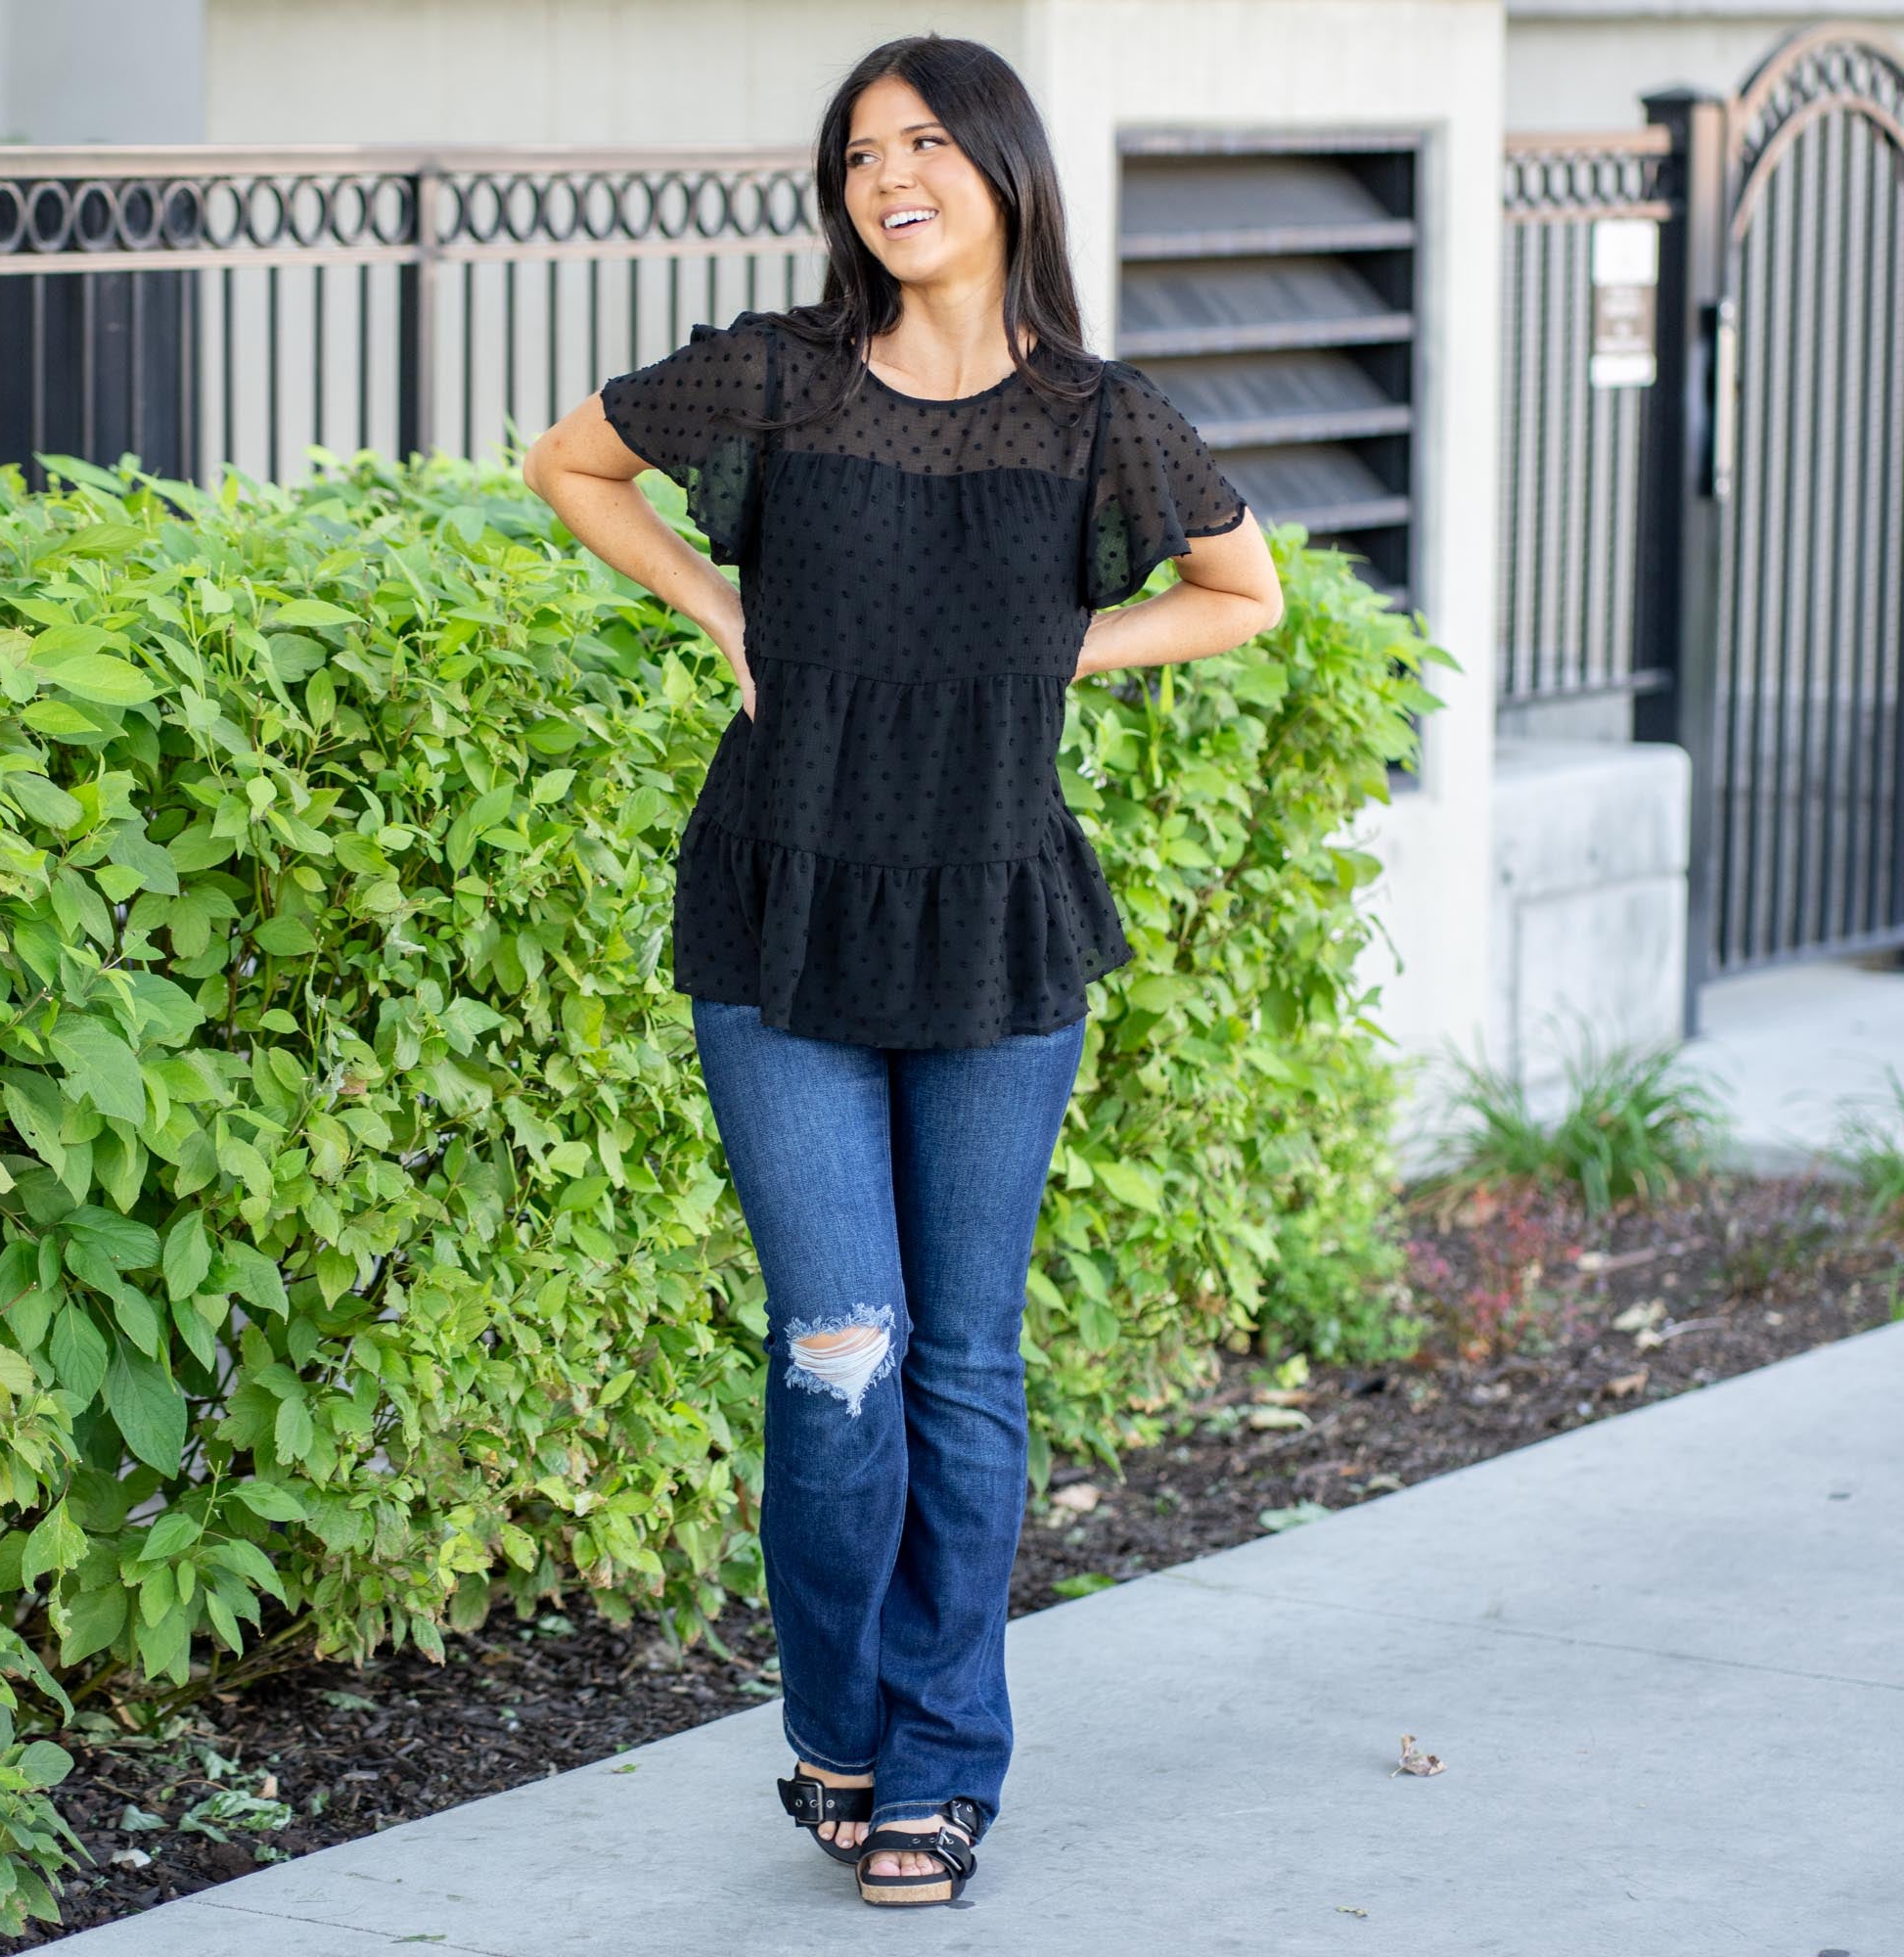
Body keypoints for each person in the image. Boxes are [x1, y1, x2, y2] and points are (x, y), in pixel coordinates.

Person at [521, 30, 1283, 1910]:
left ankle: (943, 1761)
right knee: (838, 1356)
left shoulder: (1099, 417)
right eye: (862, 153)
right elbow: (570, 462)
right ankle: (837, 1723)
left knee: (962, 1363)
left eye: (927, 142)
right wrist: (715, 603)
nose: (890, 178)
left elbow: (1241, 593)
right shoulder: (778, 376)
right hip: (779, 916)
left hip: (994, 926)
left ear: (1005, 171)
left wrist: (1055, 652)